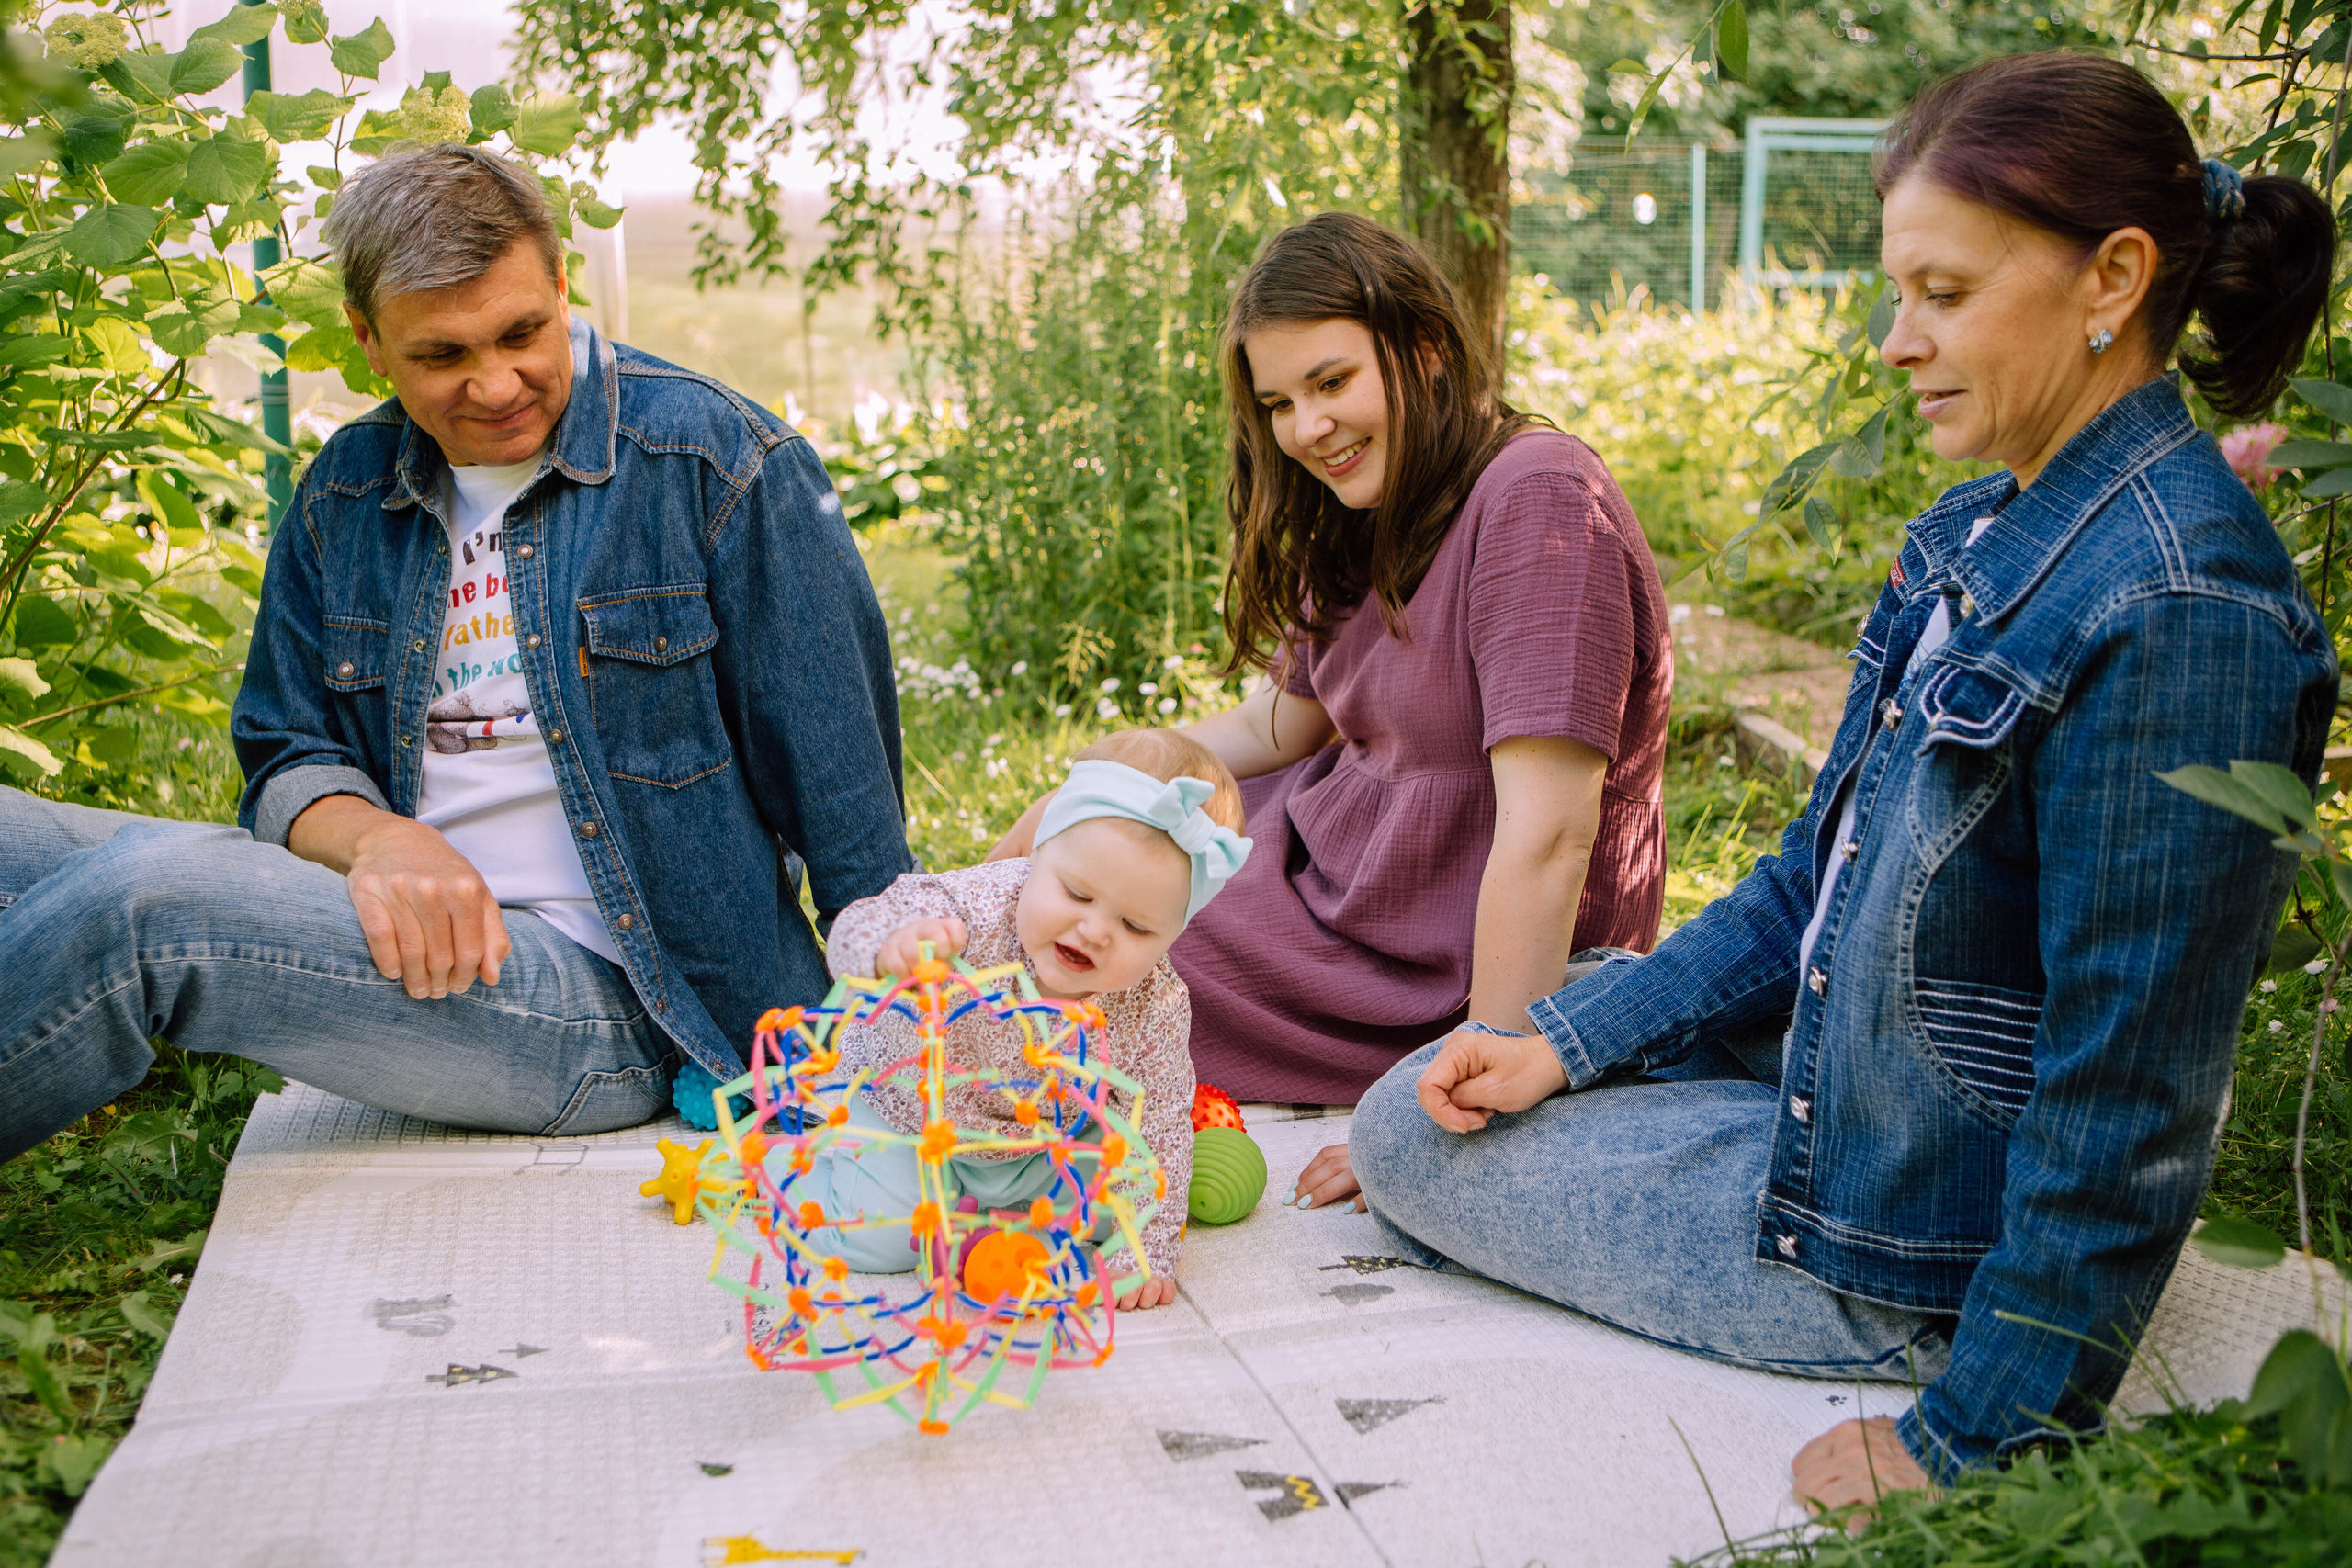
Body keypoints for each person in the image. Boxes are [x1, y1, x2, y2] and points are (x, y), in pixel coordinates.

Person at [1333, 50, 2342, 1513]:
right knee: (1484, 1067)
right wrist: (1566, 1038)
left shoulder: (2186, 607)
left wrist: (1972, 1437)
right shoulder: (1982, 530)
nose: (1895, 341)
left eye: (1944, 293)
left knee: (1398, 1134)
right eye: (1899, 292)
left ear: (2115, 278)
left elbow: (2132, 1084)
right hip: (1848, 1080)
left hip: (1911, 1250)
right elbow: (1813, 876)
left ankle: (1906, 1306)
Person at [0, 145, 913, 1161]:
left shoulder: (722, 465)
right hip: (397, 931)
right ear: (368, 339)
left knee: (143, 906)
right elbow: (288, 750)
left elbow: (854, 824)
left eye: (522, 332)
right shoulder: (347, 490)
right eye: (441, 356)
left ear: (560, 283)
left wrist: (907, 1047)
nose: (495, 383)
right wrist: (381, 843)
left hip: (624, 1002)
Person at [993, 213, 1671, 1106]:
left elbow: (1549, 839)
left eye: (1331, 381)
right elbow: (1280, 725)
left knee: (1095, 949)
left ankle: (939, 1087)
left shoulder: (1538, 500)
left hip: (1431, 960)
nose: (1308, 427)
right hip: (1324, 870)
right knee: (1054, 877)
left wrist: (1478, 1081)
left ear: (1426, 345)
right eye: (1279, 404)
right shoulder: (1373, 501)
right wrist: (1104, 781)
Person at [801, 729, 1252, 1311]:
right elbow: (858, 926)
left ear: (1174, 934)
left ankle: (987, 1214)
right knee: (869, 1238)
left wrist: (1146, 1247)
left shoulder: (1154, 1002)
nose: (1095, 930)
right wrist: (889, 948)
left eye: (1137, 927)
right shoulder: (967, 912)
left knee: (1118, 1203)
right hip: (907, 1118)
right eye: (1077, 894)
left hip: (1040, 1142)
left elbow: (1160, 1123)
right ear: (1037, 854)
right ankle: (815, 1162)